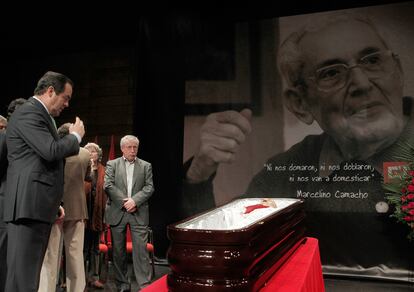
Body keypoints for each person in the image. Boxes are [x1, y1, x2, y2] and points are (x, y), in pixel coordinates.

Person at [182, 13, 414, 282]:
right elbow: (229, 249)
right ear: (299, 103)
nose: (362, 84)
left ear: (397, 71)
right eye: (332, 73)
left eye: (372, 60)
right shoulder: (287, 170)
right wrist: (199, 172)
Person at [4, 71, 85, 292]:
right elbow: (50, 151)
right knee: (23, 278)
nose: (67, 104)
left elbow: (40, 162)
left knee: (26, 276)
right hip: (27, 208)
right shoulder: (29, 113)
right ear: (50, 91)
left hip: (36, 207)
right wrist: (75, 136)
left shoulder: (39, 115)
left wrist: (54, 203)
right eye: (65, 97)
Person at [38, 123, 91, 292]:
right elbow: (89, 177)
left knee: (51, 256)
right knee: (75, 256)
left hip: (55, 209)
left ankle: (46, 289)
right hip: (77, 209)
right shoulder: (85, 154)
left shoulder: (54, 151)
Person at [104, 135, 154, 292]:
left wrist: (135, 201)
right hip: (118, 211)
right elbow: (108, 185)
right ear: (122, 149)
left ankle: (144, 285)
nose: (133, 150)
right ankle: (123, 284)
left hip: (138, 213)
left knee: (141, 252)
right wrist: (126, 202)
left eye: (135, 147)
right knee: (118, 252)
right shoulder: (112, 164)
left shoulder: (146, 166)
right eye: (129, 147)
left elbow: (149, 187)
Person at [0, 98, 27, 292]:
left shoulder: (25, 139)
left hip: (22, 206)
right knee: (4, 255)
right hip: (4, 205)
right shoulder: (5, 138)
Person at [84, 142, 107, 289]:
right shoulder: (82, 170)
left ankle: (94, 278)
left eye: (94, 151)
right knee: (83, 249)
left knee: (95, 249)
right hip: (84, 213)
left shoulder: (104, 171)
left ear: (98, 155)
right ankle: (81, 278)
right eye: (89, 152)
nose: (92, 154)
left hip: (98, 214)